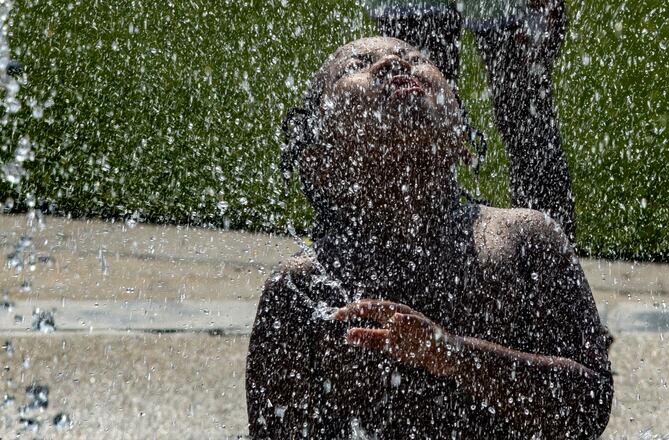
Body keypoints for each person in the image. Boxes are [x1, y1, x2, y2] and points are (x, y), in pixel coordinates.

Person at [246, 1, 612, 438]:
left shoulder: (526, 238)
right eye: (358, 65)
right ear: (320, 157)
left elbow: (590, 406)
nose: (394, 62)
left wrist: (451, 353)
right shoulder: (303, 288)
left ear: (460, 133)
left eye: (418, 60)